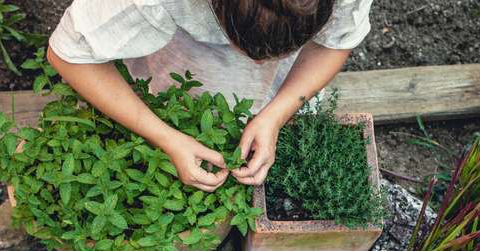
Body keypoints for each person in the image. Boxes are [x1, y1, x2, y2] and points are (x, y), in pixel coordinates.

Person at [47, 0, 373, 192]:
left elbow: (336, 42)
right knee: (179, 93)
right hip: (182, 50)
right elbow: (68, 54)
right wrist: (168, 137)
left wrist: (277, 113)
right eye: (251, 51)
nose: (261, 64)